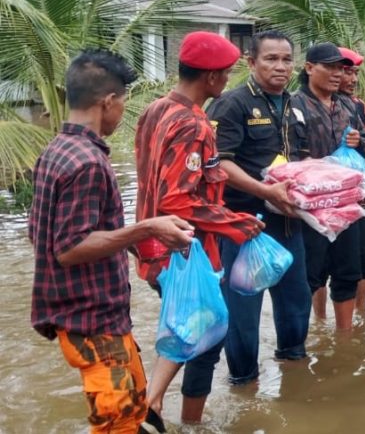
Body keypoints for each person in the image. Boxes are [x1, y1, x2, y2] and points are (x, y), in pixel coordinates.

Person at [30, 50, 193, 434]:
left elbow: (42, 233)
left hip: (86, 315)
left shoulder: (56, 150)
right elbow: (68, 248)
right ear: (109, 102)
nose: (122, 111)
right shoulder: (87, 162)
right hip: (91, 319)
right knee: (117, 423)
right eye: (122, 102)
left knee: (133, 410)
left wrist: (130, 241)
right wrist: (145, 229)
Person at [134, 32, 265, 425]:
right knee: (206, 339)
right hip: (181, 250)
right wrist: (235, 222)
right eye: (225, 74)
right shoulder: (194, 124)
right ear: (210, 78)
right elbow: (178, 201)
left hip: (151, 246)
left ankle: (153, 404)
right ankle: (177, 418)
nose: (226, 81)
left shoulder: (154, 109)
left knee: (188, 326)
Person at [207, 29, 312, 387]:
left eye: (286, 59)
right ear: (251, 62)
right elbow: (219, 164)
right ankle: (243, 383)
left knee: (297, 304)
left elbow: (303, 160)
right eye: (270, 59)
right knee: (243, 313)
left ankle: (295, 376)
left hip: (289, 224)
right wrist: (264, 189)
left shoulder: (297, 104)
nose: (280, 67)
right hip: (244, 227)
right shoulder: (232, 104)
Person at [290, 42, 365, 330]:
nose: (338, 74)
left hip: (346, 204)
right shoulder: (293, 105)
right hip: (312, 205)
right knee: (311, 272)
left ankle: (345, 337)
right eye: (331, 67)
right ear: (310, 68)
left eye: (341, 68)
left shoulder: (348, 105)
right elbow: (287, 157)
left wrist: (360, 143)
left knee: (348, 271)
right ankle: (313, 331)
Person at [334, 47, 365, 314]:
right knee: (322, 268)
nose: (351, 79)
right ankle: (319, 320)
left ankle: (360, 316)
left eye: (354, 73)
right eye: (346, 72)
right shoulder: (306, 104)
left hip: (358, 192)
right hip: (327, 196)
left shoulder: (359, 106)